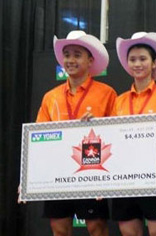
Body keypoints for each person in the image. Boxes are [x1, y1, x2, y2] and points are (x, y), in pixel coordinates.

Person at [35, 30, 116, 236]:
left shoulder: (106, 93)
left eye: (77, 55)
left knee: (96, 227)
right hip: (58, 172)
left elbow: (116, 134)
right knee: (59, 228)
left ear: (90, 60)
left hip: (92, 170)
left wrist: (96, 127)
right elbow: (38, 141)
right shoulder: (50, 97)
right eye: (67, 54)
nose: (70, 60)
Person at [111, 32, 156, 236]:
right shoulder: (119, 101)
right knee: (128, 232)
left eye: (143, 59)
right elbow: (114, 141)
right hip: (125, 178)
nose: (137, 64)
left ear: (154, 63)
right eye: (132, 59)